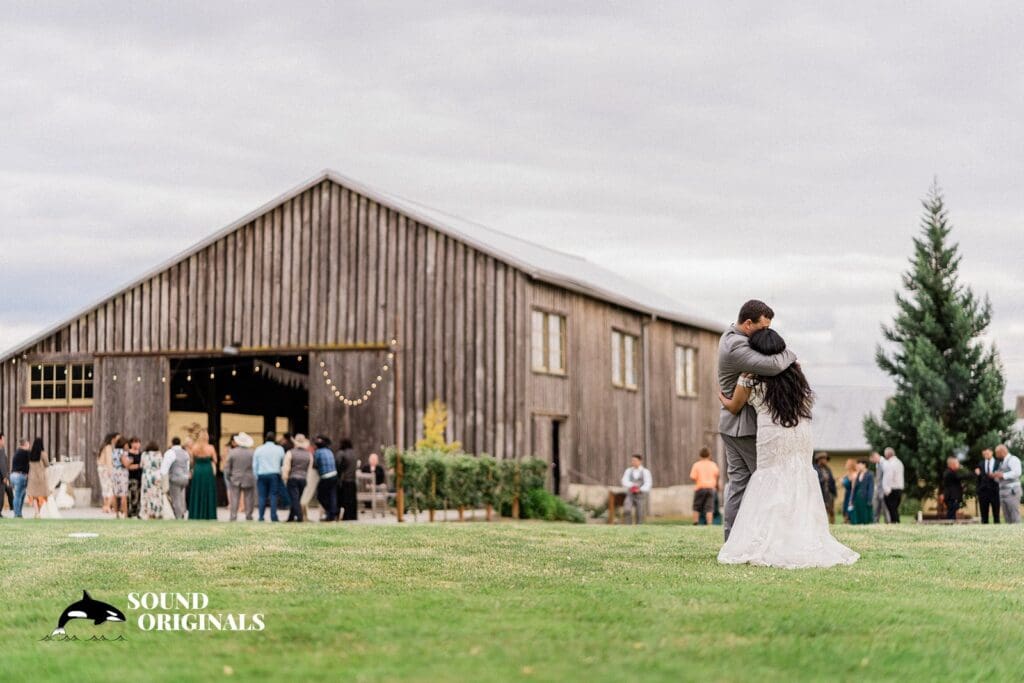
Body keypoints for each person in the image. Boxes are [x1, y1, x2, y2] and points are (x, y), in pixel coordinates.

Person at [717, 328, 858, 567]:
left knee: (770, 479)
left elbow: (735, 406)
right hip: (799, 432)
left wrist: (723, 398)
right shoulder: (795, 373)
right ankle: (800, 535)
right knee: (798, 477)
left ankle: (770, 539)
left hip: (772, 433)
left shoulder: (750, 377)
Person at [717, 300, 798, 541]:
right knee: (766, 483)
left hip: (731, 425)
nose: (767, 333)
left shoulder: (730, 336)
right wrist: (790, 354)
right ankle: (768, 539)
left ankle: (733, 541)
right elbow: (773, 365)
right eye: (763, 328)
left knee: (738, 486)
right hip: (745, 427)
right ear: (748, 324)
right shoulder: (737, 346)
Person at [253, 431, 285, 522]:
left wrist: (256, 475)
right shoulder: (279, 449)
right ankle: (273, 516)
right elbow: (283, 462)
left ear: (265, 438)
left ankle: (261, 517)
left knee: (262, 496)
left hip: (262, 474)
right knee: (273, 495)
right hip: (274, 474)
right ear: (274, 439)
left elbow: (255, 465)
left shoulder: (259, 449)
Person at [224, 432, 257, 521]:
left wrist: (228, 476)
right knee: (249, 498)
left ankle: (233, 516)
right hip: (249, 478)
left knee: (234, 498)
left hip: (235, 478)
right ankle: (248, 515)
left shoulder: (233, 452)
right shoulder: (252, 453)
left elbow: (227, 467)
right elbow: (255, 466)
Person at [188, 430, 219, 520]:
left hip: (198, 470)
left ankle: (196, 514)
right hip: (207, 470)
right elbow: (215, 460)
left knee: (197, 490)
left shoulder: (194, 447)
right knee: (208, 490)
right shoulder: (211, 448)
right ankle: (209, 514)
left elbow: (192, 461)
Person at [283, 434, 312, 522]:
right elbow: (309, 469)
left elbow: (286, 467)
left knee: (294, 499)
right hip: (303, 478)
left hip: (292, 478)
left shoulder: (290, 453)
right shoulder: (309, 454)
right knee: (296, 498)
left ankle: (300, 517)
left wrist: (285, 478)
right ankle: (291, 518)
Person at [159, 437, 190, 519]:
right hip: (185, 478)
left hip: (175, 478)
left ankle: (178, 516)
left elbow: (165, 467)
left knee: (176, 499)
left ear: (172, 443)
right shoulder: (185, 453)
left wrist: (162, 478)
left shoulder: (170, 452)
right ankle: (183, 513)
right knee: (182, 498)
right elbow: (187, 466)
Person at [991, 444, 1021, 524]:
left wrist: (1003, 475)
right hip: (1003, 491)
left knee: (1014, 514)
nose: (996, 455)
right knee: (1006, 515)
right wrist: (996, 476)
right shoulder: (1002, 462)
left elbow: (1017, 472)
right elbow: (1000, 477)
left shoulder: (1013, 459)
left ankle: (1017, 530)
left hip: (1012, 491)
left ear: (1002, 452)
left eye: (997, 453)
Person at [690, 447, 719, 525]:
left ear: (700, 455)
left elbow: (693, 477)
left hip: (700, 487)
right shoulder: (713, 464)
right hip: (711, 488)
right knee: (709, 507)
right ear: (709, 455)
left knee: (696, 507)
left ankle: (695, 522)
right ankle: (709, 523)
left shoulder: (696, 465)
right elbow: (717, 475)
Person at [620, 454, 652, 524]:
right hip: (630, 494)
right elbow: (624, 481)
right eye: (632, 461)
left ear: (640, 461)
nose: (633, 462)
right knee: (627, 509)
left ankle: (639, 527)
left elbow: (648, 483)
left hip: (640, 495)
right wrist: (632, 485)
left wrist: (640, 489)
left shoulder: (645, 471)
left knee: (640, 513)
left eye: (635, 460)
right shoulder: (628, 471)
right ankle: (628, 526)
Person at [314, 436, 339, 521]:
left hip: (325, 476)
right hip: (334, 475)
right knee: (332, 495)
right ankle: (333, 513)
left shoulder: (318, 452)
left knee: (320, 496)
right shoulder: (329, 451)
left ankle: (330, 511)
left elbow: (315, 464)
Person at [974, 448, 1001, 524]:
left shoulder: (998, 463)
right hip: (983, 491)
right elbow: (978, 478)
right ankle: (984, 526)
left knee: (996, 512)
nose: (986, 455)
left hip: (995, 491)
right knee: (984, 513)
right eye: (984, 454)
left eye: (987, 453)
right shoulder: (980, 464)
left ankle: (997, 526)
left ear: (992, 453)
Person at [139, 441, 164, 520]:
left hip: (146, 475)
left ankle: (146, 512)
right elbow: (161, 465)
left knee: (146, 494)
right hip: (156, 475)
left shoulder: (144, 454)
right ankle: (156, 512)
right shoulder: (159, 454)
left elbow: (141, 465)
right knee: (156, 494)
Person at [26, 437, 50, 519]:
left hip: (32, 478)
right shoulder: (43, 454)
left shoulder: (30, 453)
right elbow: (47, 464)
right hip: (41, 478)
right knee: (42, 495)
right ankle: (38, 512)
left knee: (34, 496)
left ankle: (37, 512)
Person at [335, 438, 358, 521]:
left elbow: (339, 466)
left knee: (344, 500)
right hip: (353, 480)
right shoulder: (354, 454)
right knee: (352, 500)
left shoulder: (342, 453)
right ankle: (353, 516)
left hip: (345, 480)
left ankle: (345, 516)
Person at [96, 432, 120, 515]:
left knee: (105, 488)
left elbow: (98, 459)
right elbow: (108, 460)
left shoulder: (103, 446)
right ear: (113, 439)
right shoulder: (108, 447)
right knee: (110, 487)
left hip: (101, 468)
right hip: (106, 469)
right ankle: (107, 506)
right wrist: (110, 471)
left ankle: (105, 506)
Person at [940, 456, 969, 521]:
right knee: (951, 512)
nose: (959, 465)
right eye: (957, 463)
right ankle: (950, 524)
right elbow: (962, 477)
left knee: (952, 512)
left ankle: (951, 523)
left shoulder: (950, 473)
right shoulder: (950, 473)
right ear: (952, 464)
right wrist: (973, 473)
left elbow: (955, 483)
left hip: (952, 496)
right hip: (952, 497)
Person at [881, 447, 905, 523]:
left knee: (892, 509)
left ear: (888, 454)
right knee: (895, 508)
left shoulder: (890, 464)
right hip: (899, 489)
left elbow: (889, 477)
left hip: (892, 489)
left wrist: (887, 489)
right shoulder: (899, 462)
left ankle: (895, 522)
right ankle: (896, 522)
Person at [121, 437, 144, 518]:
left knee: (139, 495)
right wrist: (138, 466)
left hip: (140, 477)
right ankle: (130, 512)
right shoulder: (128, 454)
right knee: (132, 495)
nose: (136, 444)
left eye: (138, 442)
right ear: (131, 444)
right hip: (131, 477)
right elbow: (128, 466)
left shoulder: (141, 454)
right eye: (134, 442)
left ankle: (138, 512)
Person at [848, 460, 874, 525]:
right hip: (857, 497)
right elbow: (855, 488)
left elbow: (871, 488)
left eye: (859, 464)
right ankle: (858, 524)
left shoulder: (870, 474)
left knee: (865, 513)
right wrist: (851, 499)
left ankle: (866, 524)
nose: (858, 466)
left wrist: (869, 499)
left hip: (865, 497)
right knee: (857, 512)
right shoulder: (859, 474)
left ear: (864, 465)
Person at [814, 453, 837, 524]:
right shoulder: (815, 469)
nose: (826, 461)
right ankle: (821, 524)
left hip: (829, 494)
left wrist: (834, 493)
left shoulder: (828, 469)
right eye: (824, 459)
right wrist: (823, 479)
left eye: (826, 459)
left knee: (831, 511)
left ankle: (832, 524)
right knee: (821, 510)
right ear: (819, 460)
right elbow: (814, 481)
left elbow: (832, 481)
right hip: (820, 493)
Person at [10, 439, 30, 518]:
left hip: (13, 475)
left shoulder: (17, 452)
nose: (29, 446)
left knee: (21, 494)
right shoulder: (26, 453)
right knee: (18, 495)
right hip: (20, 476)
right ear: (25, 445)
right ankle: (17, 514)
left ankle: (19, 513)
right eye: (28, 444)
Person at [110, 437, 129, 518]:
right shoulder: (122, 452)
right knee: (123, 494)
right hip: (122, 473)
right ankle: (125, 514)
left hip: (115, 472)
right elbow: (125, 463)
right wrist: (130, 461)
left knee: (115, 494)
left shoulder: (114, 451)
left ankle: (116, 514)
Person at [868, 451, 888, 523]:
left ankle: (887, 522)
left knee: (885, 507)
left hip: (884, 489)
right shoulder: (877, 464)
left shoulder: (885, 463)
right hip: (878, 489)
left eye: (872, 460)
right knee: (876, 506)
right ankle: (875, 522)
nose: (873, 462)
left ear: (875, 456)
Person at [840, 458, 857, 524]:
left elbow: (853, 487)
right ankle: (845, 520)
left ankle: (848, 520)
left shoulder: (854, 474)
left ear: (851, 465)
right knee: (845, 507)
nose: (846, 465)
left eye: (847, 464)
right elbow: (843, 483)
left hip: (851, 493)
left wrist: (842, 481)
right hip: (846, 493)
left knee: (849, 507)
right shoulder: (847, 474)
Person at [0, 433, 10, 517]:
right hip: (1, 478)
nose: (4, 441)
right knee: (0, 496)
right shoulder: (0, 451)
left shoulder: (2, 450)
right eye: (3, 439)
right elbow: (2, 464)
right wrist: (4, 476)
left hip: (2, 477)